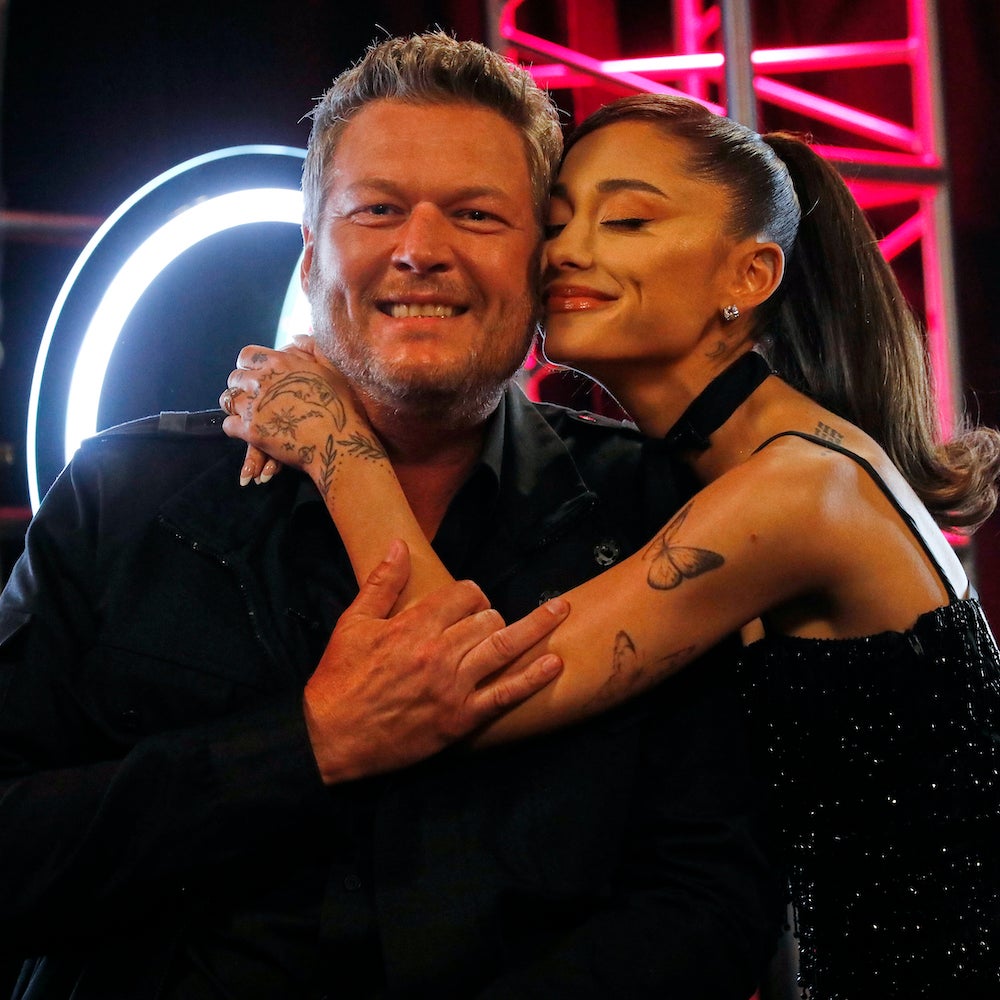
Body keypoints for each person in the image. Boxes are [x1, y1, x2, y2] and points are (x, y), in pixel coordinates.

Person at [0, 36, 781, 999]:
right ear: (310, 254)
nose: (421, 250)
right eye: (376, 209)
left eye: (477, 214)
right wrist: (306, 744)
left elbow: (714, 903)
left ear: (541, 263)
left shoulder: (659, 511)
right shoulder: (120, 494)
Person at [227, 93, 1000, 998]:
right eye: (556, 223)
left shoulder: (800, 489)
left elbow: (459, 683)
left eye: (627, 221)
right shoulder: (733, 472)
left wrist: (338, 444)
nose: (567, 252)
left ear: (751, 275)